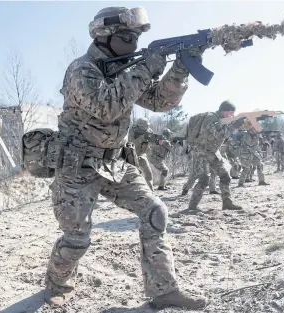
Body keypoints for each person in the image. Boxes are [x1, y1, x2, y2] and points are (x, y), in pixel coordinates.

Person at [45, 6, 207, 309]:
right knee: (76, 239)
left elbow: (160, 101)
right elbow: (107, 106)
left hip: (116, 161)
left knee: (154, 211)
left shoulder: (123, 69)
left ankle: (163, 290)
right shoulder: (81, 69)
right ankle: (57, 283)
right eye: (127, 36)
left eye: (135, 37)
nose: (133, 43)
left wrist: (180, 69)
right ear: (103, 36)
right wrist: (145, 68)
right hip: (77, 164)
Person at [184, 100, 244, 212]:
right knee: (204, 179)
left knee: (225, 176)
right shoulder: (211, 118)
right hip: (201, 152)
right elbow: (214, 136)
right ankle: (192, 207)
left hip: (212, 152)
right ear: (225, 111)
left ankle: (227, 202)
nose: (232, 116)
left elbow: (222, 138)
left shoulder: (219, 120)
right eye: (231, 113)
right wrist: (231, 127)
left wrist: (233, 125)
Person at [129, 117, 156, 190]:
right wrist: (141, 138)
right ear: (139, 126)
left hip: (142, 155)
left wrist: (157, 140)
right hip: (131, 155)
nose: (147, 128)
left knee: (149, 175)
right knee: (133, 176)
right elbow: (129, 144)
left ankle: (151, 192)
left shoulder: (149, 131)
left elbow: (154, 141)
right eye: (145, 126)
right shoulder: (132, 131)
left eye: (147, 126)